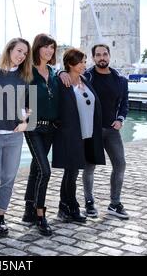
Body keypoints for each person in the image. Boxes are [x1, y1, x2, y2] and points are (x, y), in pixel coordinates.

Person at [59, 44, 129, 219]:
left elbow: (124, 103)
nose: (102, 57)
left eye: (105, 54)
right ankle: (89, 203)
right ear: (93, 58)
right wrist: (61, 72)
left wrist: (120, 119)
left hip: (112, 130)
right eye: (98, 55)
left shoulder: (120, 79)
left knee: (120, 164)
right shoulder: (86, 75)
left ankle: (115, 203)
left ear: (109, 56)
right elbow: (67, 74)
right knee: (89, 168)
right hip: (92, 131)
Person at [0, 38, 33, 236]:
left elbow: (32, 106)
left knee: (8, 178)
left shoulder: (25, 76)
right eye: (19, 51)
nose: (21, 56)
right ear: (9, 49)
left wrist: (26, 121)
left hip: (14, 137)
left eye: (25, 53)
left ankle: (1, 215)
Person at [52, 48, 105, 223]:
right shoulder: (62, 81)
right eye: (81, 62)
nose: (85, 64)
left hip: (87, 134)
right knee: (71, 172)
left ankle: (65, 207)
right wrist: (60, 72)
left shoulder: (85, 78)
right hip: (71, 134)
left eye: (84, 61)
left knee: (72, 172)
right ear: (71, 64)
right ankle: (70, 207)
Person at [22, 33, 59, 236]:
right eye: (45, 47)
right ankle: (39, 214)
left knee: (36, 169)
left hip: (51, 128)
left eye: (52, 47)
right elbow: (19, 98)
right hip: (34, 126)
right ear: (37, 48)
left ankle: (28, 210)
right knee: (45, 171)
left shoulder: (53, 72)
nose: (49, 51)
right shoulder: (28, 72)